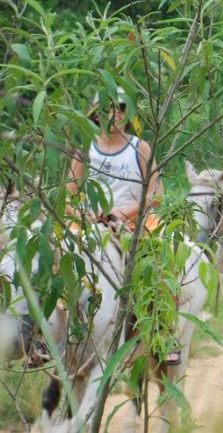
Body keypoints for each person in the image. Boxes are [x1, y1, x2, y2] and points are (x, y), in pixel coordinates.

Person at [67, 88, 180, 366]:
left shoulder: (139, 147)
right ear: (96, 113)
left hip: (133, 220)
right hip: (91, 220)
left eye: (120, 106)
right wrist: (85, 213)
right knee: (57, 252)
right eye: (108, 106)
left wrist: (123, 212)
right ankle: (40, 332)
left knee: (160, 257)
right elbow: (69, 193)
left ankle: (164, 331)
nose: (115, 111)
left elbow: (156, 195)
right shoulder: (84, 148)